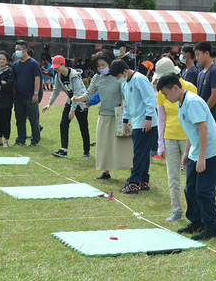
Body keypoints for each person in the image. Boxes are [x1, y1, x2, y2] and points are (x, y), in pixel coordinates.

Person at [157, 72, 216, 241]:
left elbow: (203, 129)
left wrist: (201, 158)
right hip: (197, 149)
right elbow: (191, 130)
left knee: (203, 190)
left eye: (166, 94)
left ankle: (211, 227)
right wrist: (187, 152)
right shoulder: (181, 102)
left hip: (210, 150)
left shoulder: (192, 102)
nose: (165, 98)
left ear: (175, 88)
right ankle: (197, 222)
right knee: (190, 189)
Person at [72, 51, 133, 180]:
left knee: (124, 145)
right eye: (98, 66)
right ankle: (106, 172)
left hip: (119, 116)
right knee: (104, 146)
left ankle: (133, 171)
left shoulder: (119, 77)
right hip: (104, 115)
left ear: (110, 63)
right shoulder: (97, 78)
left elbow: (125, 96)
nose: (101, 68)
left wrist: (126, 116)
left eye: (103, 65)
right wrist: (79, 99)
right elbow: (89, 94)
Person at [153, 58, 194, 222]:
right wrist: (160, 144)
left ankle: (194, 212)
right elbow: (161, 118)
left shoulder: (190, 87)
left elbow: (196, 116)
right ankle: (177, 210)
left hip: (188, 138)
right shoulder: (161, 92)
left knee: (191, 177)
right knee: (173, 177)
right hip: (170, 137)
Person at [110, 58, 158, 194]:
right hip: (137, 121)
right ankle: (143, 180)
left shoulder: (139, 79)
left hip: (146, 122)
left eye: (118, 76)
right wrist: (125, 121)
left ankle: (134, 182)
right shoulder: (125, 82)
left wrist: (149, 118)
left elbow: (150, 98)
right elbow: (127, 103)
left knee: (139, 152)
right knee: (142, 152)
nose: (118, 79)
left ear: (125, 71)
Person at [42, 55, 91, 158]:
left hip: (80, 102)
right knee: (63, 124)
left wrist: (73, 110)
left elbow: (77, 93)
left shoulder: (74, 75)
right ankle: (63, 150)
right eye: (54, 67)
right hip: (70, 101)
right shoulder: (58, 76)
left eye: (57, 66)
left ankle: (86, 151)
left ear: (63, 64)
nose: (55, 69)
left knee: (83, 127)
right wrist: (49, 104)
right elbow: (56, 91)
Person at [194, 41, 216, 193]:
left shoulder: (215, 71)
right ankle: (213, 177)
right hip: (203, 115)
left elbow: (215, 95)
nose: (197, 58)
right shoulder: (201, 72)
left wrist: (203, 112)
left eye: (198, 54)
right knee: (205, 145)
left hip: (212, 115)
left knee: (215, 146)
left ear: (207, 53)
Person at [12, 40, 42, 146]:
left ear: (25, 51)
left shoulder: (33, 63)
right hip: (19, 97)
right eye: (15, 50)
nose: (16, 52)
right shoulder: (16, 65)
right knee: (20, 119)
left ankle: (35, 140)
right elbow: (14, 81)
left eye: (18, 50)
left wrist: (35, 94)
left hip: (30, 97)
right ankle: (21, 139)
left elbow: (37, 79)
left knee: (34, 119)